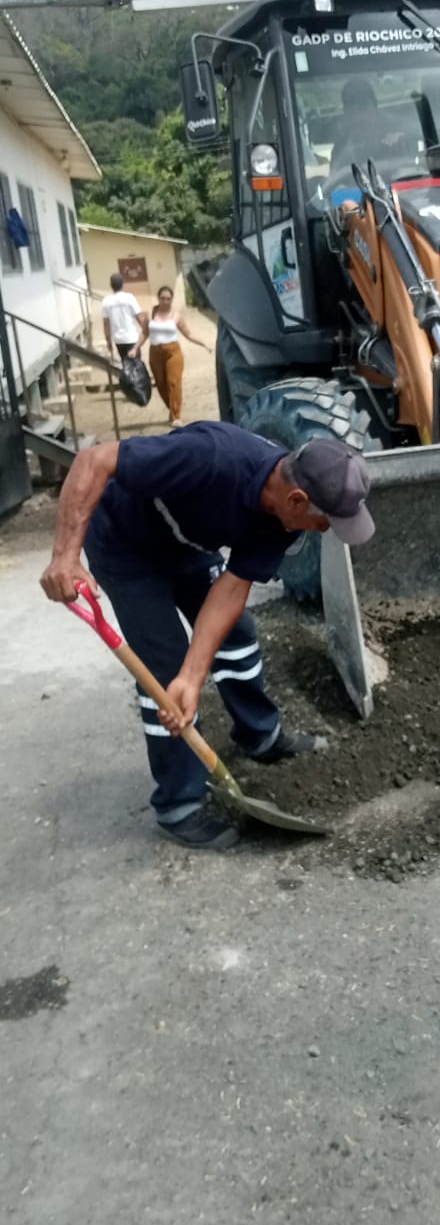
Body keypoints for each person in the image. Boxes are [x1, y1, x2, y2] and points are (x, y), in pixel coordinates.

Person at [40, 424, 375, 851]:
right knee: (164, 671)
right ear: (297, 500)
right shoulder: (210, 458)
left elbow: (232, 589)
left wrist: (195, 676)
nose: (324, 530)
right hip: (126, 543)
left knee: (236, 634)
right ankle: (179, 803)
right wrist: (65, 556)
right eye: (324, 521)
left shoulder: (286, 520)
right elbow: (94, 459)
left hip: (187, 542)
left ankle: (259, 735)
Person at [135, 285, 212, 429]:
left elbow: (188, 334)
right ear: (158, 298)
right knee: (161, 384)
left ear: (172, 299)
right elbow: (144, 333)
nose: (165, 301)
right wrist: (135, 348)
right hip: (155, 352)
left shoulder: (176, 316)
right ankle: (171, 409)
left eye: (168, 299)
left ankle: (177, 416)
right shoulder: (151, 313)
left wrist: (204, 344)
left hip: (173, 352)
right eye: (162, 298)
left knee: (173, 382)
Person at [102, 272, 147, 363]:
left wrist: (108, 341)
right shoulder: (129, 298)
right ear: (123, 284)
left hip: (118, 340)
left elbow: (106, 324)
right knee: (136, 365)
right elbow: (139, 317)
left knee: (126, 364)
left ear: (111, 285)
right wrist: (146, 331)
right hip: (132, 338)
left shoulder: (106, 301)